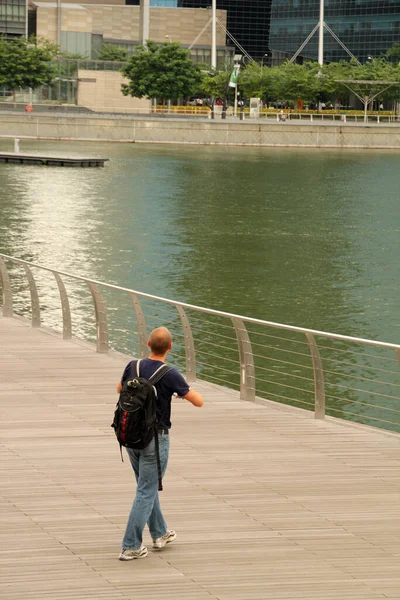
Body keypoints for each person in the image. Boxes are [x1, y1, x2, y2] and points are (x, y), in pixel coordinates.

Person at [117, 326, 203, 561]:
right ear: (170, 347)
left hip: (130, 436)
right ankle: (130, 545)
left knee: (146, 487)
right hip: (155, 439)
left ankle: (160, 533)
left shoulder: (132, 366)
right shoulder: (170, 373)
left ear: (148, 344)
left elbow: (119, 389)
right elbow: (199, 401)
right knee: (146, 490)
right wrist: (176, 393)